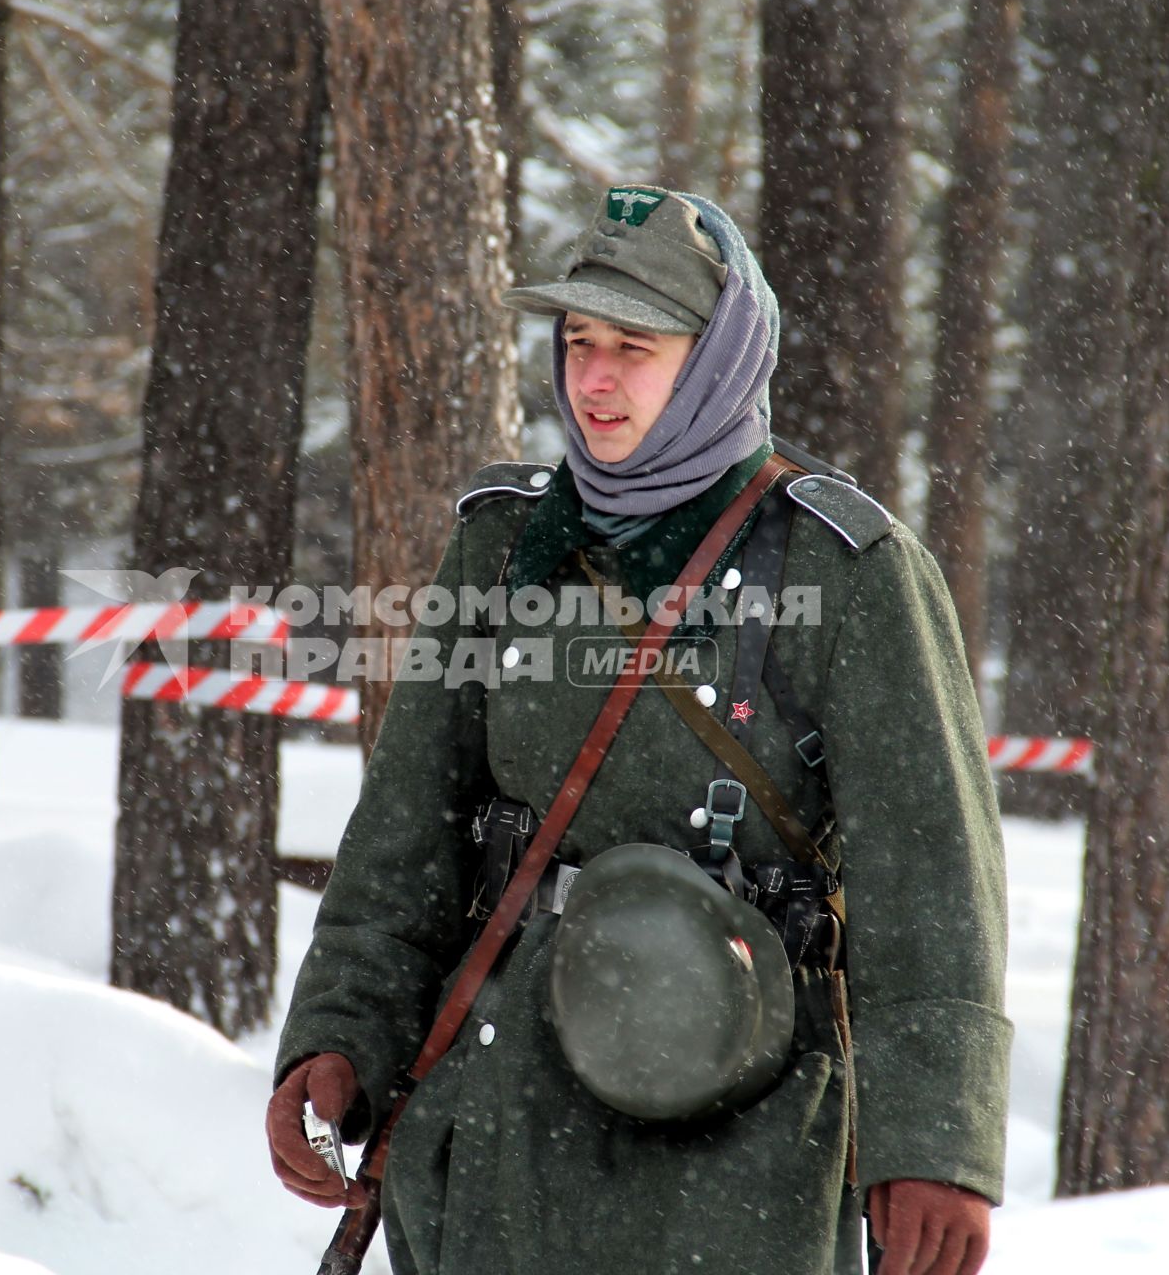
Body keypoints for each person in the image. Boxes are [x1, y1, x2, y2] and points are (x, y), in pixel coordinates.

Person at [266, 184, 1010, 1275]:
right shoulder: (507, 543)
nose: (595, 377)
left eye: (635, 346)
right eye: (578, 341)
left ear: (713, 360)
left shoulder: (847, 571)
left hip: (744, 1136)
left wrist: (937, 1137)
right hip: (504, 1115)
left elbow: (932, 875)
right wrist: (340, 1030)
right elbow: (408, 826)